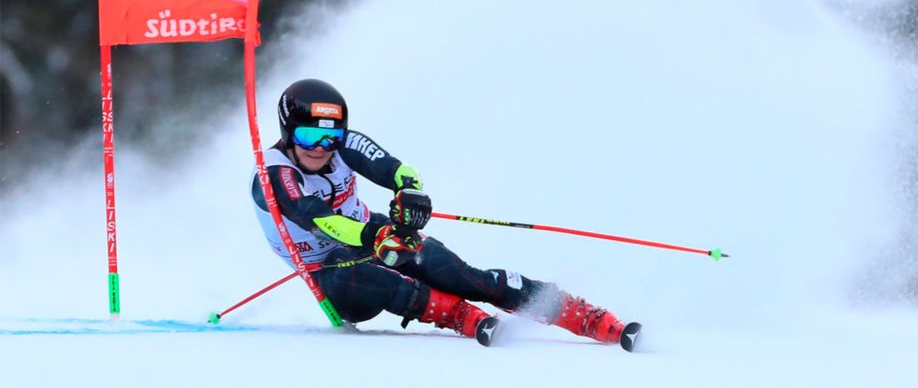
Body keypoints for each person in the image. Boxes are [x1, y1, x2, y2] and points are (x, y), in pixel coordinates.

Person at [251, 78, 637, 348]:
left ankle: (575, 312)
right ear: (288, 132)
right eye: (308, 136)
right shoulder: (273, 174)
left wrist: (410, 193)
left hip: (371, 231)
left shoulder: (343, 145)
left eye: (331, 137)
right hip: (329, 270)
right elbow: (316, 217)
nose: (321, 147)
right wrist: (373, 237)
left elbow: (397, 170)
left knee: (455, 273)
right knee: (362, 274)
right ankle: (457, 316)